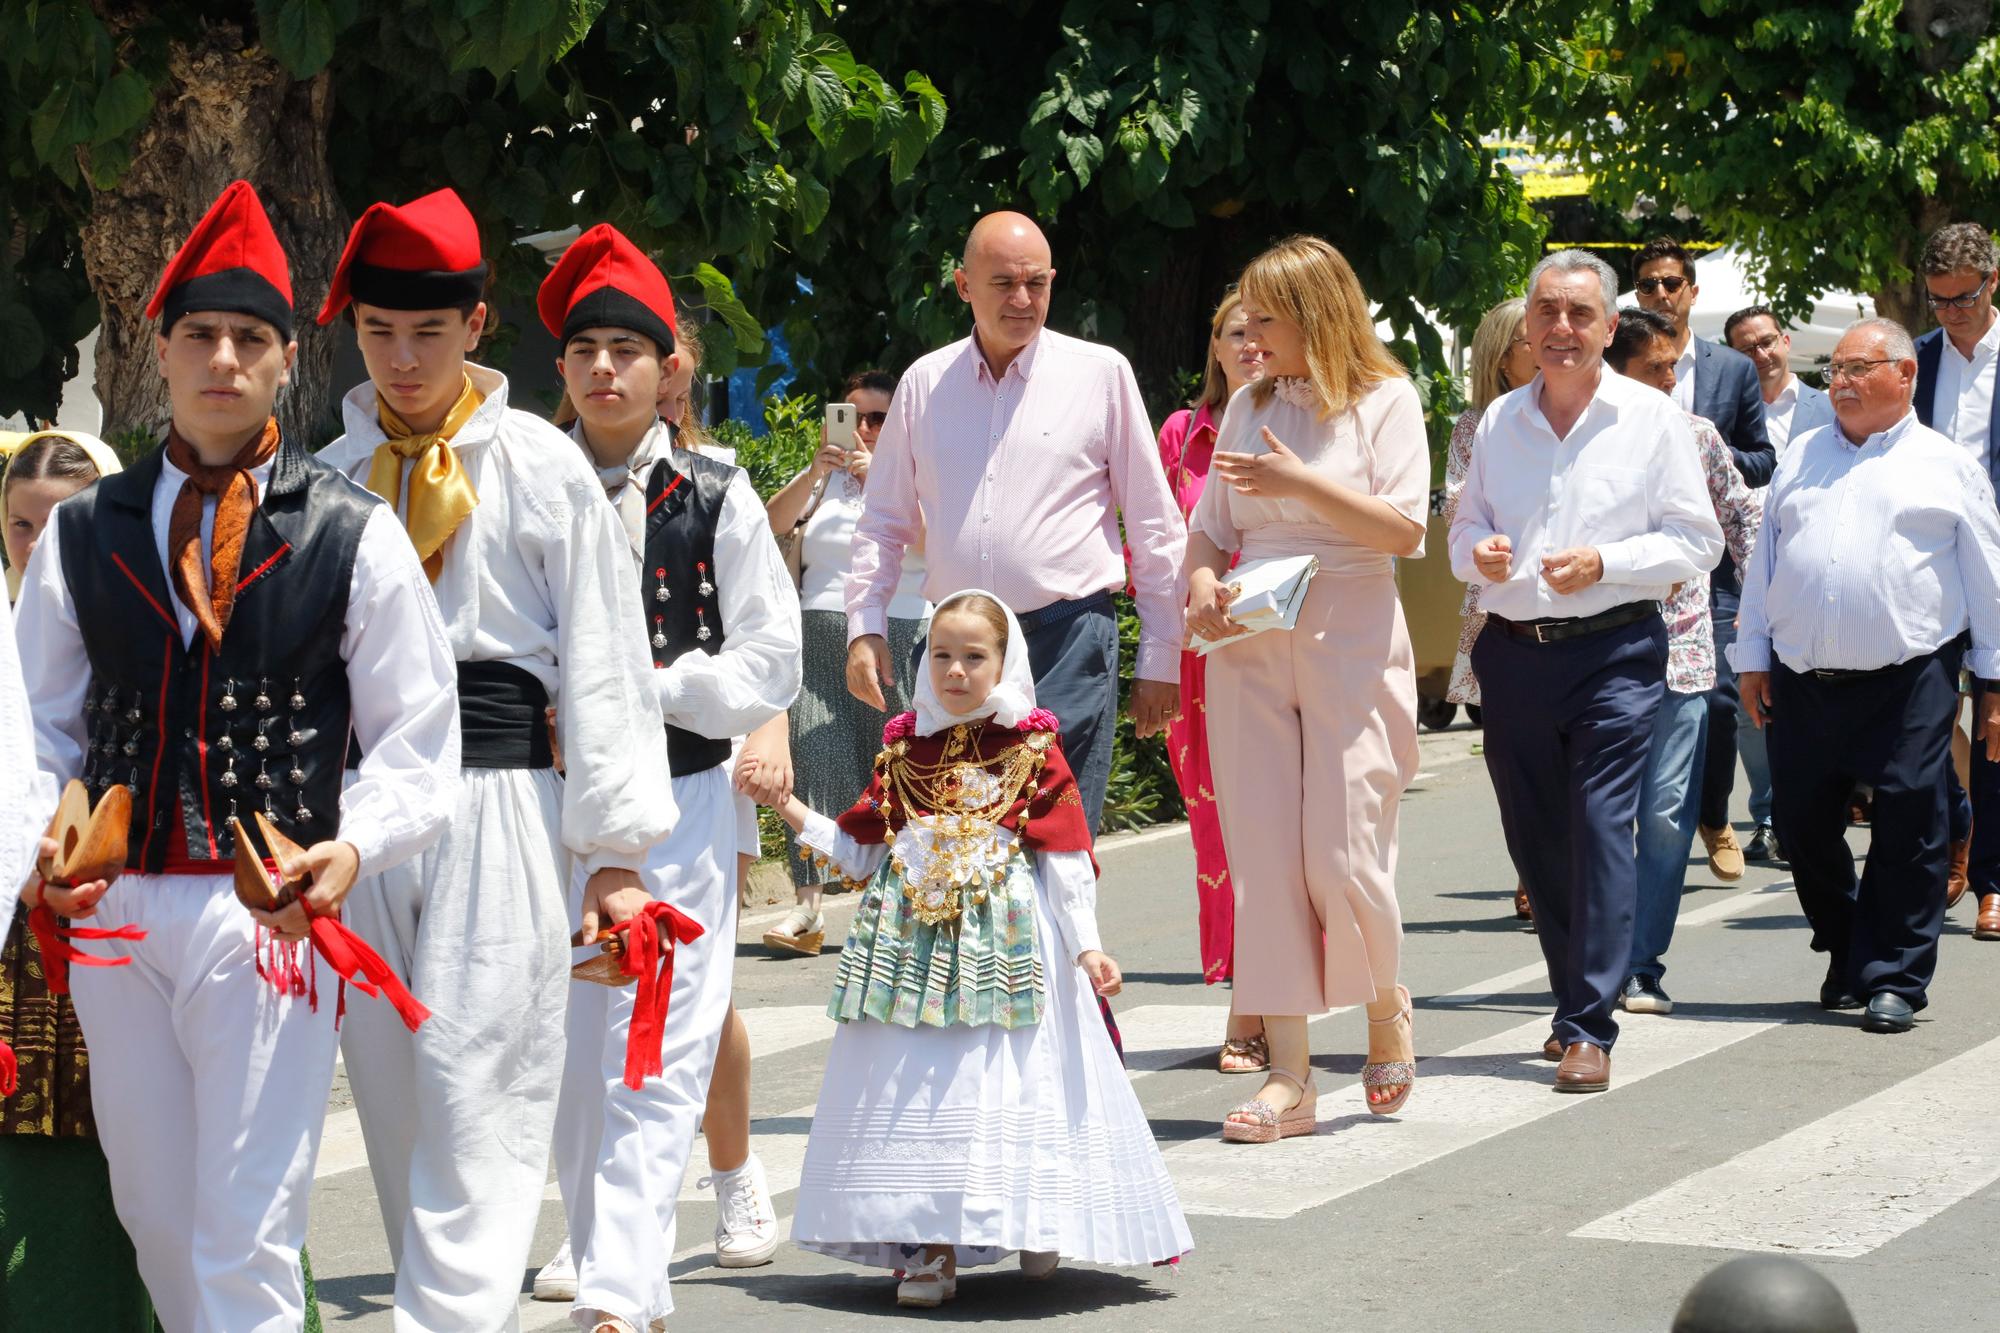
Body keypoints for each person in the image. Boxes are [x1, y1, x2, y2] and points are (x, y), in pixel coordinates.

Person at [13, 178, 460, 1330]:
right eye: (201, 334)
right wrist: (37, 862)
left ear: (283, 364)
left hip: (265, 913)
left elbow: (419, 735)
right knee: (157, 1215)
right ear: (157, 353)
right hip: (113, 908)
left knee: (247, 1227)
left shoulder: (350, 529)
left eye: (250, 337)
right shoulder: (81, 528)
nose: (223, 356)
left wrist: (351, 846)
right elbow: (35, 724)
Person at [316, 189, 676, 1329]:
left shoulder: (538, 464)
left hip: (500, 793)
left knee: (486, 1087)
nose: (403, 358)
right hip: (362, 811)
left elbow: (608, 665)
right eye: (379, 330)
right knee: (392, 1095)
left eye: (428, 331)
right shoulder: (324, 475)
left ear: (477, 326)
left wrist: (614, 858)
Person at [762, 589, 1191, 1306]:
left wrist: (1086, 947)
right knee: (919, 1094)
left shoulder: (1032, 750)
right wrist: (787, 807)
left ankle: (1034, 1212)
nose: (955, 670)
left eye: (973, 656)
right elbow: (865, 856)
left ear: (1004, 662)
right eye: (942, 654)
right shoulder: (903, 749)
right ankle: (930, 1250)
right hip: (907, 955)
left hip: (1010, 950)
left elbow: (1064, 856)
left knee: (1009, 1081)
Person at [533, 224, 799, 1333]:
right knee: (564, 1050)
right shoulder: (517, 485)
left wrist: (644, 687)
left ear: (665, 369)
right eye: (585, 347)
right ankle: (603, 1249)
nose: (604, 368)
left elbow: (770, 659)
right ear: (560, 367)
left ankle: (619, 1294)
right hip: (543, 807)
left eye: (626, 349)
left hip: (677, 800)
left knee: (662, 1035)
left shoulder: (717, 495)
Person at [1451, 248, 1723, 1092]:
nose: (1560, 328)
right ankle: (1575, 999)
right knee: (1537, 839)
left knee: (1603, 826)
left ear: (1610, 325)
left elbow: (1696, 539)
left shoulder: (1651, 419)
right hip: (1515, 652)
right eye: (1546, 312)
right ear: (1526, 325)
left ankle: (1587, 1025)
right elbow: (1463, 534)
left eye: (1578, 313)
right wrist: (1481, 553)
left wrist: (1605, 561)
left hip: (1615, 650)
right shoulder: (1499, 422)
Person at [1184, 235, 1426, 1134]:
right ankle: (1289, 1075)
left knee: (1342, 848)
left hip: (1350, 624)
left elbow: (1404, 531)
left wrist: (1300, 482)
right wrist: (1204, 579)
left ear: (1315, 317)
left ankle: (1383, 1009)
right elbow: (1210, 529)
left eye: (1266, 317)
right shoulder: (1246, 402)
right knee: (1264, 860)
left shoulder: (1386, 400)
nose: (1248, 333)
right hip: (1250, 626)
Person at [845, 211, 1185, 832]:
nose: (1023, 300)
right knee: (950, 841)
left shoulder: (1101, 375)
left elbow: (1153, 520)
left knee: (1055, 843)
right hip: (953, 648)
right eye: (1003, 283)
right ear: (963, 285)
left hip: (1068, 639)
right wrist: (864, 626)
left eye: (1038, 282)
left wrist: (1162, 655)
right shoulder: (924, 384)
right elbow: (883, 519)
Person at [1735, 318, 2000, 1032]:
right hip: (1802, 676)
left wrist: (1995, 686)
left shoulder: (1945, 465)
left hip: (1911, 672)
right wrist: (1751, 657)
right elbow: (1767, 563)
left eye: (1858, 369)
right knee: (1800, 821)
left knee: (1912, 815)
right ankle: (1847, 940)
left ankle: (1896, 976)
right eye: (1835, 372)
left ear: (1905, 375)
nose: (1841, 384)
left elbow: (1988, 583)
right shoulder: (1803, 456)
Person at [0, 432, 155, 1331]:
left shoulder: (142, 615)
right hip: (23, 912)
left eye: (61, 523)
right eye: (22, 525)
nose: (39, 545)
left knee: (155, 1111)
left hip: (127, 890)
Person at [1606, 308, 1762, 1016]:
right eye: (1653, 369)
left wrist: (1764, 623)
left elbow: (1746, 525)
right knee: (1597, 818)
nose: (1671, 380)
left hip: (1687, 653)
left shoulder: (1699, 437)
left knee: (1666, 814)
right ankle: (1593, 956)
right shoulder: (1582, 441)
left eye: (1674, 366)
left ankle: (1642, 963)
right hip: (1597, 655)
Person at [762, 368, 926, 956]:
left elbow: (937, 547)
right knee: (810, 760)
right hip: (816, 635)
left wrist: (881, 480)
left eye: (879, 418)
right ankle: (807, 910)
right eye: (853, 415)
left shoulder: (914, 477)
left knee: (896, 765)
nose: (863, 428)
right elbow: (765, 528)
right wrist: (814, 472)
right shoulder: (822, 484)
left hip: (899, 634)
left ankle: (900, 900)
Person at [1631, 238, 1774, 887]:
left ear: (1692, 289)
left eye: (1671, 283)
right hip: (1636, 568)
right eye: (1649, 284)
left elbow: (1760, 458)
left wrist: (1700, 456)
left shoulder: (1730, 371)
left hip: (1711, 566)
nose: (1661, 293)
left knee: (1718, 700)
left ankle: (1714, 816)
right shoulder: (1619, 361)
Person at [1152, 290, 1266, 1068]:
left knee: (1289, 829)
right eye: (1235, 330)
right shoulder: (1181, 435)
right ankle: (1247, 994)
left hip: (1291, 652)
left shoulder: (1304, 421)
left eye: (1266, 328)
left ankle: (1288, 997)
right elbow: (1162, 553)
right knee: (1219, 834)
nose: (1251, 343)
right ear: (1214, 348)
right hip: (1203, 656)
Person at [1723, 305, 1835, 866]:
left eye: (1768, 342)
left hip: (1814, 566)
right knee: (1751, 699)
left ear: (1786, 341)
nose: (1761, 355)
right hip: (1744, 571)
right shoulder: (1728, 412)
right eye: (1747, 348)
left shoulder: (1827, 404)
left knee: (1819, 689)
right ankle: (1768, 815)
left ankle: (1821, 805)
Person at [1912, 223, 2000, 941]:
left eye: (1962, 299)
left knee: (1996, 721)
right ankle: (1959, 836)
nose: (1951, 313)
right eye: (1938, 302)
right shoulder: (1914, 364)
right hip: (1933, 567)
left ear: (1992, 281)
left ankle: (1992, 882)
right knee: (1929, 717)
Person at [1445, 297, 1537, 923]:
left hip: (1591, 608)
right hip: (1498, 611)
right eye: (1534, 338)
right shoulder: (1473, 429)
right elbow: (1459, 510)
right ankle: (1535, 869)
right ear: (1504, 359)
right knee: (1515, 762)